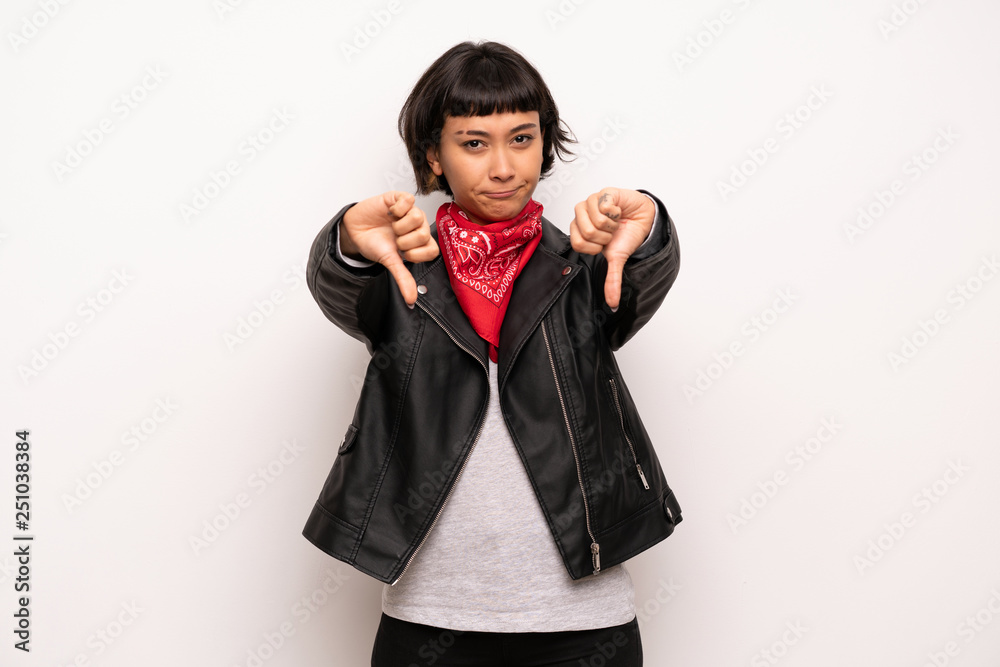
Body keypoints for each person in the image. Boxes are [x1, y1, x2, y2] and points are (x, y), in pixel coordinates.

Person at [301, 40, 682, 666]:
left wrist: (650, 229)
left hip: (585, 627)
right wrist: (345, 239)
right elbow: (341, 287)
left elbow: (637, 279)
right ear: (435, 155)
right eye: (474, 143)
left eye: (522, 139)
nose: (503, 167)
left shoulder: (584, 267)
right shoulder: (399, 273)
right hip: (429, 622)